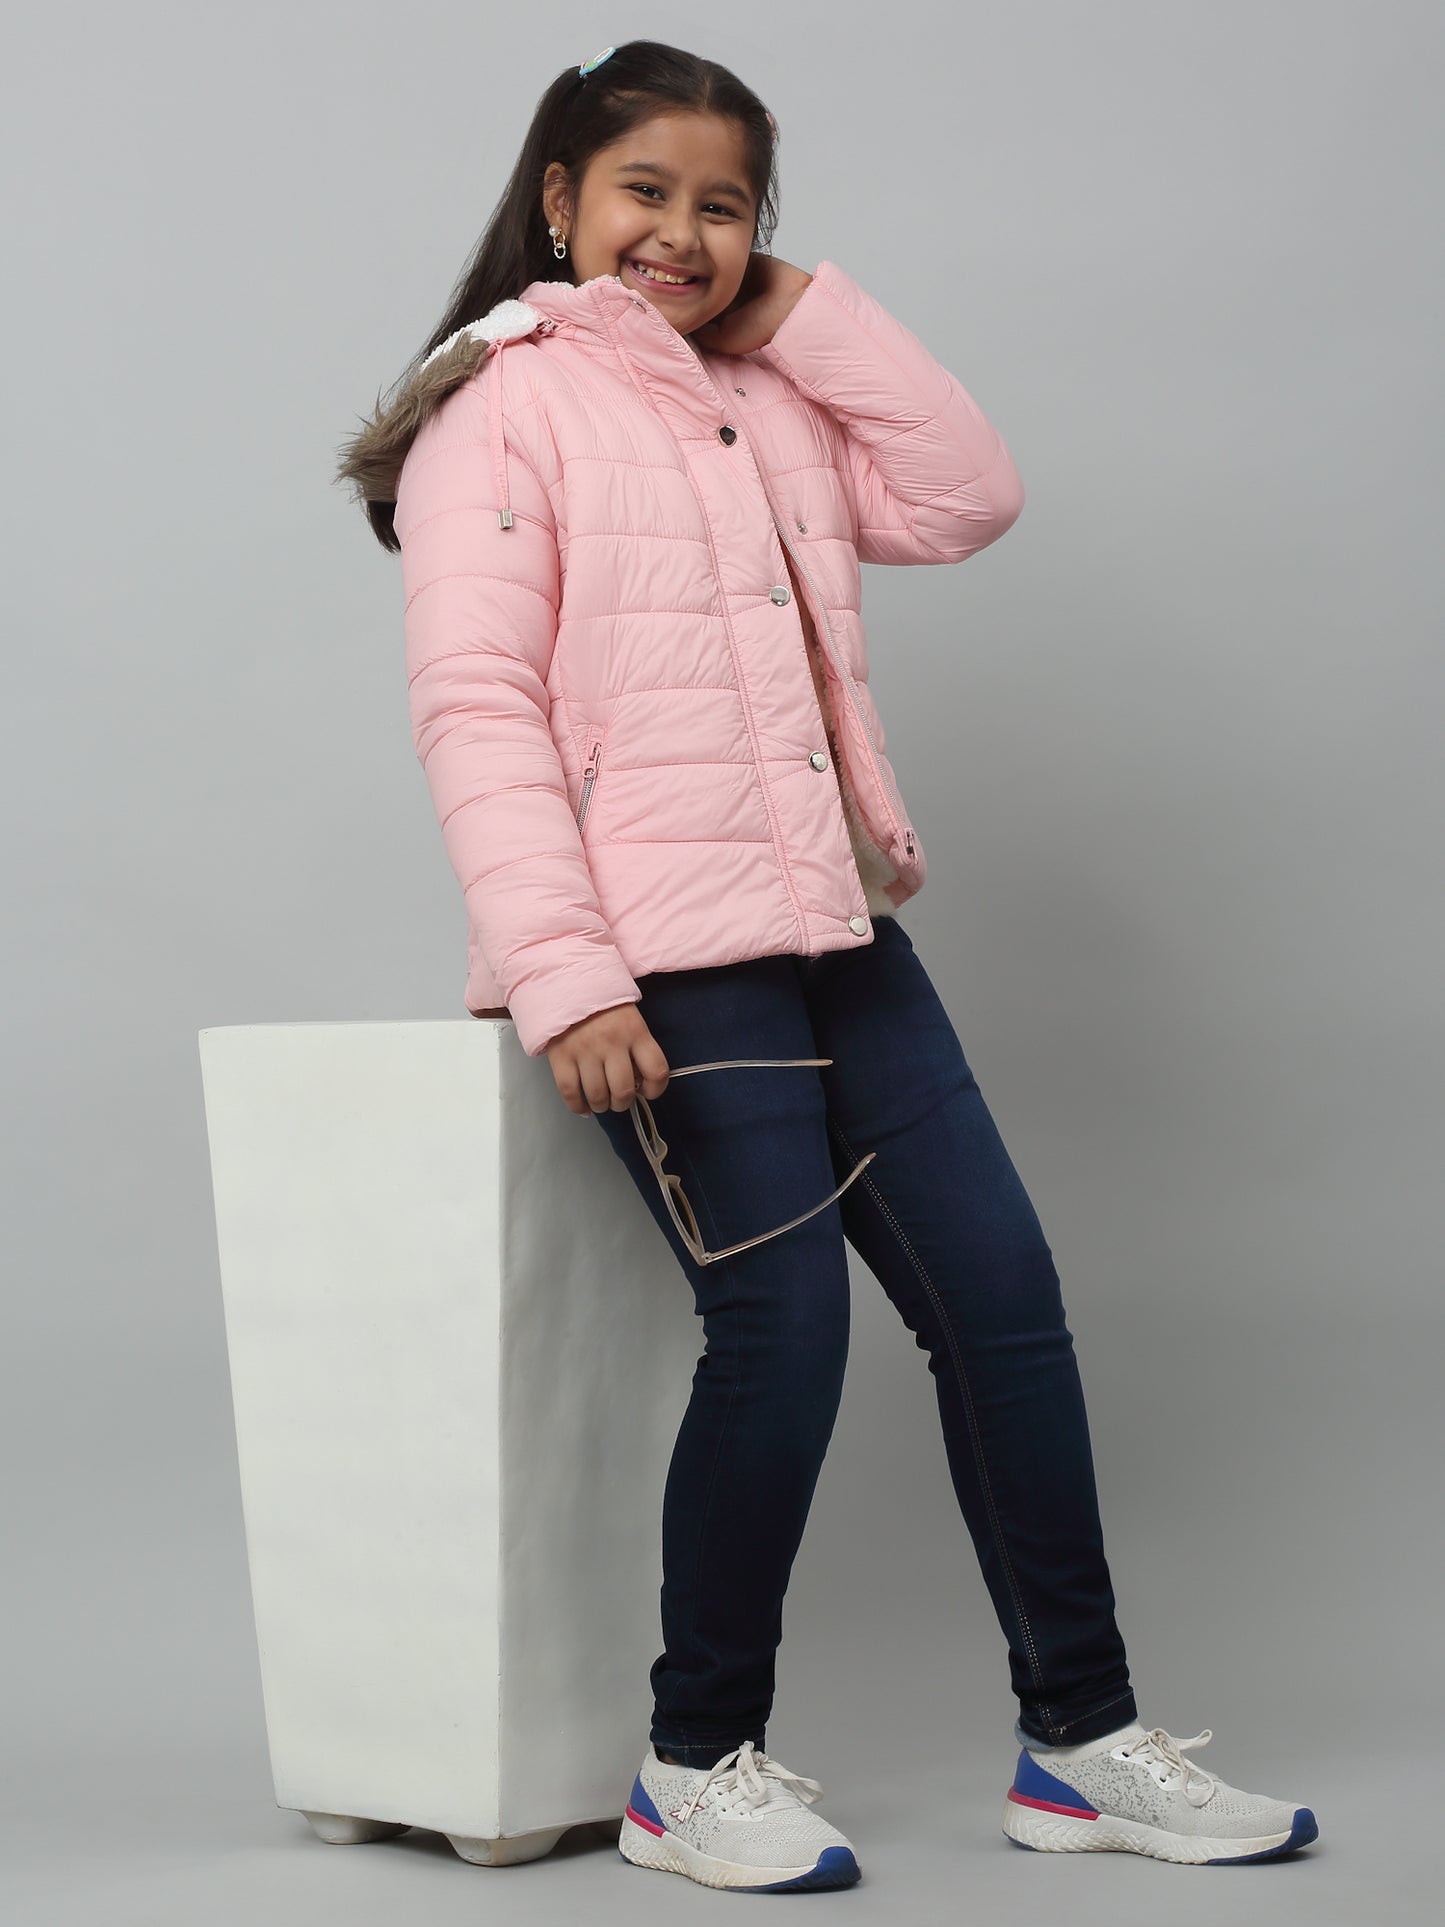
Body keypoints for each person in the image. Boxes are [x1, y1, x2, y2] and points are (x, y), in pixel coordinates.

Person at [336, 37, 1318, 1895]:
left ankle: (1080, 1743)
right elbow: (476, 705)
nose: (680, 233)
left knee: (1003, 1304)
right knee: (783, 1334)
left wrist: (797, 310)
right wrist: (566, 976)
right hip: (661, 963)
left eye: (725, 207)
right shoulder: (500, 407)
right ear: (558, 197)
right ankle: (689, 1765)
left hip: (836, 928)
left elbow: (965, 496)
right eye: (645, 192)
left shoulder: (758, 396)